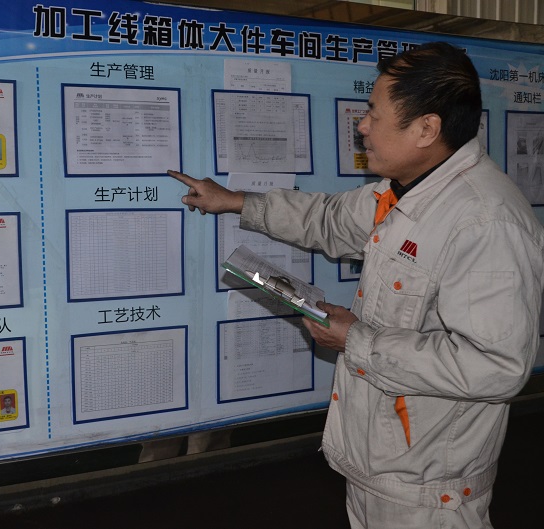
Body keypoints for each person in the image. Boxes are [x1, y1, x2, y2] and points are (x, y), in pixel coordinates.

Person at [169, 41, 544, 528]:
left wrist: (356, 341)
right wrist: (237, 201)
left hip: (428, 492)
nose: (362, 126)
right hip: (382, 468)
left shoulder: (484, 221)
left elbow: (496, 366)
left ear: (426, 129)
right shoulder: (406, 193)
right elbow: (328, 219)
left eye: (373, 113)